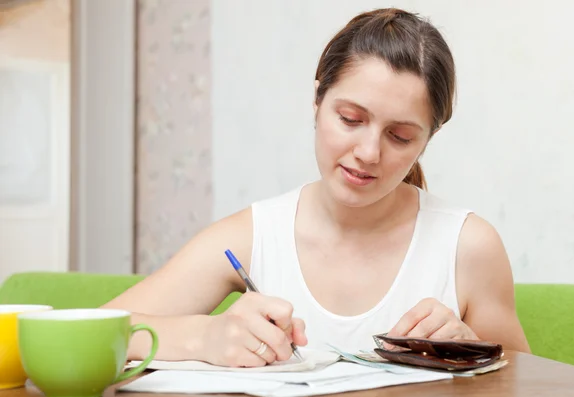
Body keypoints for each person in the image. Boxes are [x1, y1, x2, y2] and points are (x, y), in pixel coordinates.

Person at [102, 7, 531, 367]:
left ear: (427, 141)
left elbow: (529, 381)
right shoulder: (255, 235)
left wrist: (471, 351)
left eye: (399, 136)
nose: (368, 152)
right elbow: (87, 329)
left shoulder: (468, 247)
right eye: (350, 119)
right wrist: (204, 337)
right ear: (317, 101)